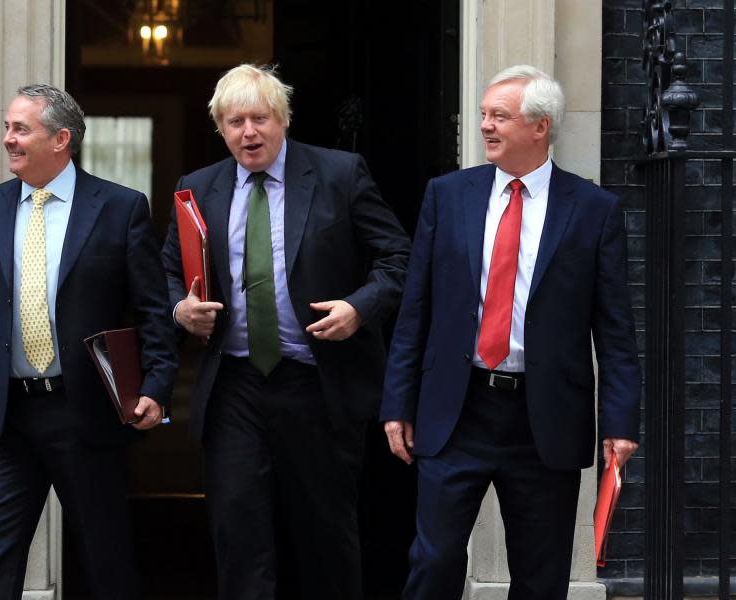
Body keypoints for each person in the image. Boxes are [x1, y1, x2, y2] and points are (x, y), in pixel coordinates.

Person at [380, 65, 641, 600]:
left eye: (499, 116)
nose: (485, 126)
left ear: (540, 126)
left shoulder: (594, 210)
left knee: (541, 574)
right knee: (434, 560)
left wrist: (619, 422)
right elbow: (416, 310)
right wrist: (396, 404)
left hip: (544, 418)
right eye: (483, 114)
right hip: (457, 408)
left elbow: (616, 331)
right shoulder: (447, 195)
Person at [161, 64, 411, 599]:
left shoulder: (340, 174)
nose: (248, 132)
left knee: (325, 537)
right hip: (234, 386)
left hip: (316, 383)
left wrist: (358, 308)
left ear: (283, 120)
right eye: (234, 122)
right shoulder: (197, 188)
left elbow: (397, 257)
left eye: (259, 119)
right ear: (220, 129)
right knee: (238, 534)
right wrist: (180, 310)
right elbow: (165, 275)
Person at [0, 83, 177, 600]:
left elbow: (154, 314)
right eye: (7, 127)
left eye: (21, 129)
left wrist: (157, 387)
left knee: (106, 558)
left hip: (86, 412)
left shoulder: (120, 208)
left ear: (61, 139)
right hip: (10, 419)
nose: (8, 139)